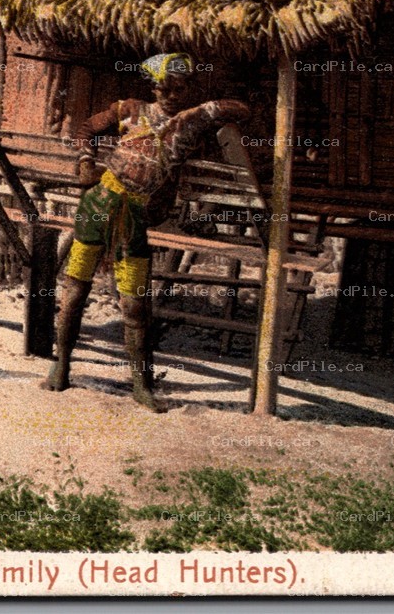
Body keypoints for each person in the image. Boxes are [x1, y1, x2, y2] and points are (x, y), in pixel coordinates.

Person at [40, 53, 250, 412]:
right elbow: (86, 130)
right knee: (74, 292)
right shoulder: (131, 110)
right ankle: (61, 366)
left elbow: (241, 109)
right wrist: (85, 161)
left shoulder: (191, 122)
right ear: (153, 87)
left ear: (187, 89)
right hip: (98, 205)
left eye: (178, 88)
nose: (169, 94)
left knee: (136, 306)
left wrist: (201, 110)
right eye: (163, 87)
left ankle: (141, 384)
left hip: (134, 217)